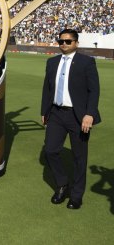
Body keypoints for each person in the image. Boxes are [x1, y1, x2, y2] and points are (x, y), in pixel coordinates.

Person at [41, 28, 101, 209]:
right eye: (61, 41)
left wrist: (89, 114)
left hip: (79, 116)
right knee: (50, 151)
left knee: (79, 157)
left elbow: (94, 90)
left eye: (68, 41)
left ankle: (76, 196)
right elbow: (47, 89)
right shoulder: (52, 62)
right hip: (56, 114)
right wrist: (44, 111)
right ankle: (62, 184)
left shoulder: (87, 62)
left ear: (76, 43)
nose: (64, 44)